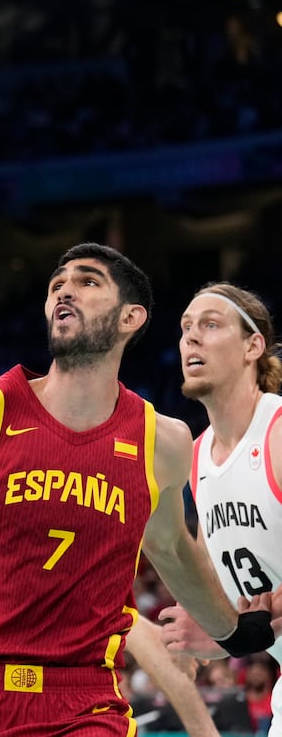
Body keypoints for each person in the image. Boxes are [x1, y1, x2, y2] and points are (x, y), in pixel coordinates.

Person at [0, 244, 277, 736]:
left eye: (88, 281)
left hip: (84, 702)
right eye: (57, 285)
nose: (65, 291)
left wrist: (233, 633)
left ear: (130, 317)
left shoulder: (162, 441)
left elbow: (173, 548)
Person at [156, 282, 282, 735]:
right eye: (186, 327)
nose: (191, 337)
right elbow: (219, 580)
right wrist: (193, 632)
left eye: (210, 324)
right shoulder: (197, 455)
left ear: (253, 346)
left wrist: (227, 636)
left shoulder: (278, 434)